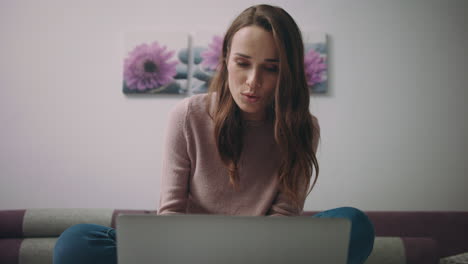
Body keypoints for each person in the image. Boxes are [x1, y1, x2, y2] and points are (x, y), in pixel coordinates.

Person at [53, 4, 374, 264]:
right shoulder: (187, 116)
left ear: (287, 71)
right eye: (242, 63)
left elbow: (285, 217)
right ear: (226, 61)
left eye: (271, 68)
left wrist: (245, 254)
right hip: (186, 252)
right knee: (75, 243)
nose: (252, 81)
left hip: (263, 253)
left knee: (354, 225)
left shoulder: (303, 128)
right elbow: (172, 212)